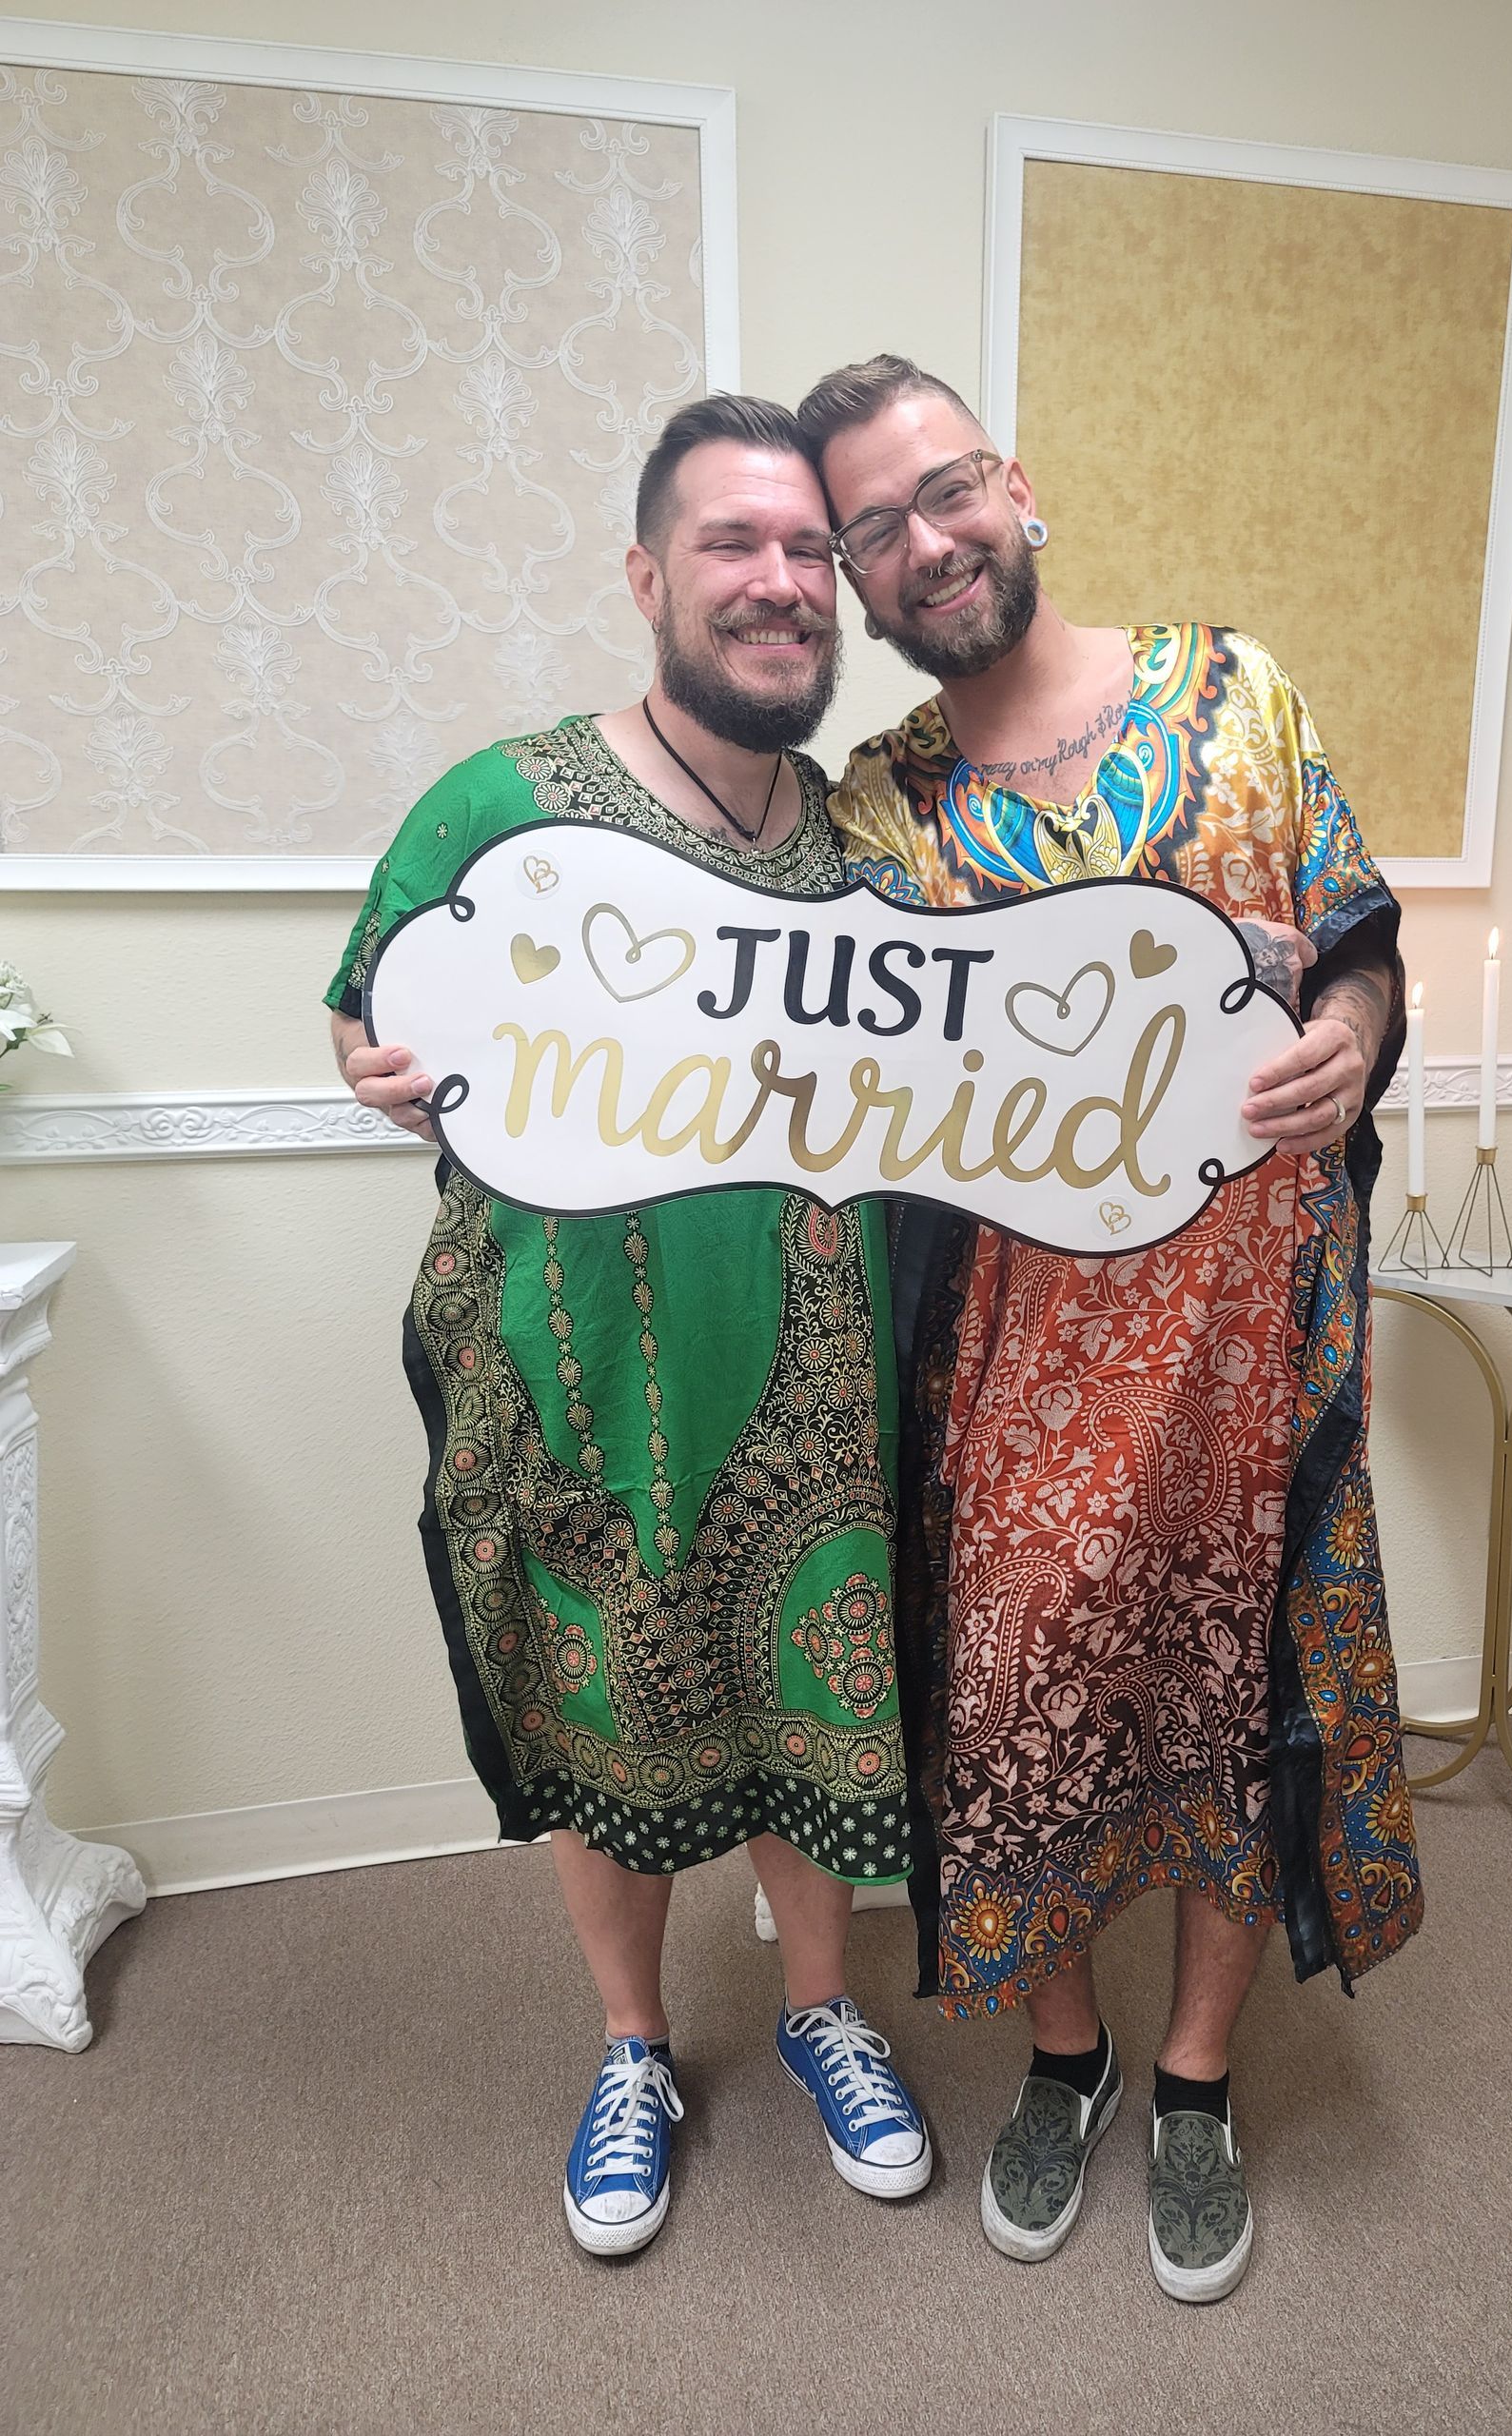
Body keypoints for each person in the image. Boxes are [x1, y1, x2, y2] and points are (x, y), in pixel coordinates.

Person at [796, 355, 1420, 2303]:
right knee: (1013, 1718)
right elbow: (787, 1043)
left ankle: (1197, 2081)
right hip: (1007, 1367)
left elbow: (1359, 945)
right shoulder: (875, 806)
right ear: (851, 577)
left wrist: (1354, 1044)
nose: (926, 541)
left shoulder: (1242, 696)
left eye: (945, 489)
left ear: (1018, 486)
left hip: (1248, 1340)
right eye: (872, 528)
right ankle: (1062, 2054)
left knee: (1237, 1711)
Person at [326, 393, 930, 2259]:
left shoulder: (868, 839)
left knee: (826, 1697)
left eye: (808, 551)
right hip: (573, 1361)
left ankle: (826, 2012)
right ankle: (636, 2044)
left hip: (825, 1376)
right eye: (736, 543)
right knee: (596, 1702)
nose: (777, 581)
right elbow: (374, 1001)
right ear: (650, 572)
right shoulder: (503, 804)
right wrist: (370, 1057)